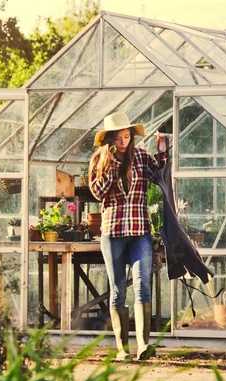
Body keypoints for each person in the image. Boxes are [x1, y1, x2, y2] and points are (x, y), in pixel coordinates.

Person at [89, 112, 169, 361]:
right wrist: (111, 165)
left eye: (126, 137)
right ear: (109, 140)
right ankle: (123, 349)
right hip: (112, 233)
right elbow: (98, 193)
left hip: (139, 232)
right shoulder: (99, 161)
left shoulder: (142, 157)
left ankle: (143, 345)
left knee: (143, 284)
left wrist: (163, 152)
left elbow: (161, 177)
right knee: (118, 290)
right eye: (118, 138)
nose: (123, 142)